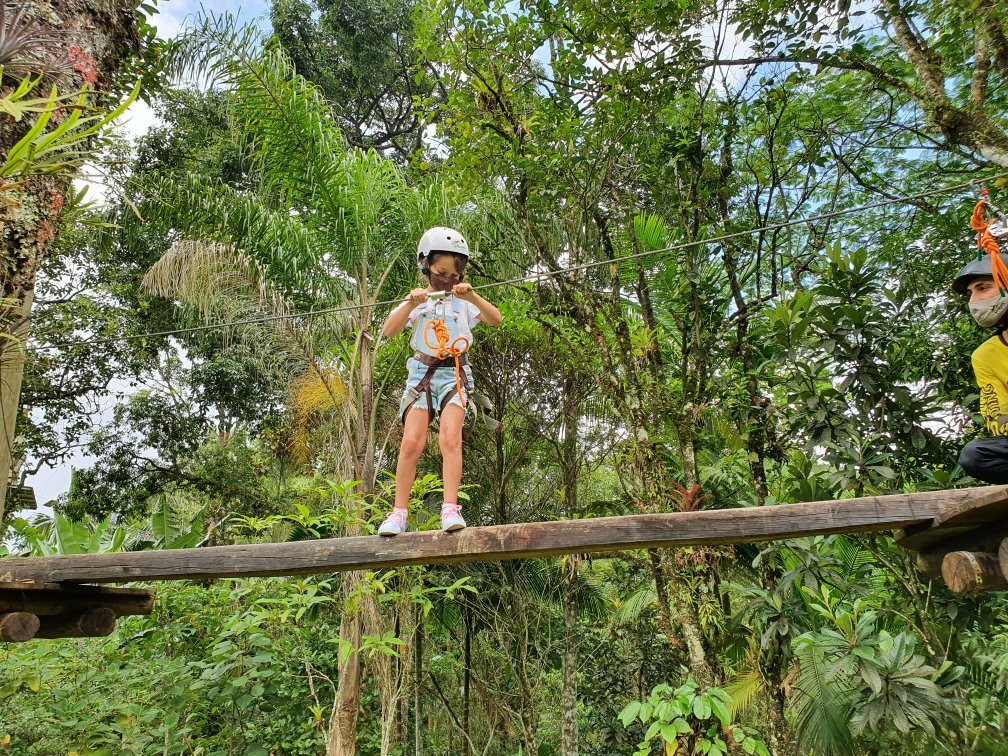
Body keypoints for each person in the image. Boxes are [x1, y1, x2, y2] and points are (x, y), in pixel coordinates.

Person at [377, 227, 502, 536]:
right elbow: (389, 331)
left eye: (455, 274)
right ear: (426, 265)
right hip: (422, 374)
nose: (448, 279)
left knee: (450, 438)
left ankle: (450, 508)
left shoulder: (464, 303)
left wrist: (471, 294)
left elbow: (495, 317)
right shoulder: (418, 302)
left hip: (455, 375)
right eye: (441, 272)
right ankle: (398, 514)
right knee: (411, 442)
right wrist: (409, 303)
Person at [954, 253, 1008, 483]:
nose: (973, 300)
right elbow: (999, 420)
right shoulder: (985, 356)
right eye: (970, 294)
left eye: (983, 288)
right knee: (975, 456)